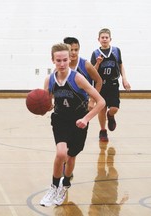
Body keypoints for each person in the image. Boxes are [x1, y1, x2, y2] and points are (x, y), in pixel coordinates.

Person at [40, 43, 105, 207]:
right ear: (52, 60)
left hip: (79, 121)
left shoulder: (78, 78)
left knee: (71, 156)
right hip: (60, 119)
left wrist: (86, 119)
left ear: (70, 59)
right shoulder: (49, 80)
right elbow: (48, 104)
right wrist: (42, 108)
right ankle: (54, 187)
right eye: (58, 60)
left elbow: (101, 102)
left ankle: (65, 184)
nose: (62, 64)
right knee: (61, 153)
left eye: (65, 60)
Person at [90, 28, 131, 142]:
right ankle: (103, 131)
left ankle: (111, 115)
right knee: (101, 108)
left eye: (106, 37)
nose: (104, 39)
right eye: (102, 37)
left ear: (110, 39)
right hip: (101, 84)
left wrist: (124, 79)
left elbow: (121, 65)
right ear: (98, 39)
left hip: (113, 83)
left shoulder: (116, 51)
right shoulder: (96, 53)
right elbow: (92, 71)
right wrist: (97, 63)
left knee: (114, 108)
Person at [63, 37, 102, 110]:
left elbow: (99, 81)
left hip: (82, 105)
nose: (74, 52)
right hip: (64, 105)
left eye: (76, 50)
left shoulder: (86, 64)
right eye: (71, 50)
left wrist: (92, 100)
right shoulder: (61, 65)